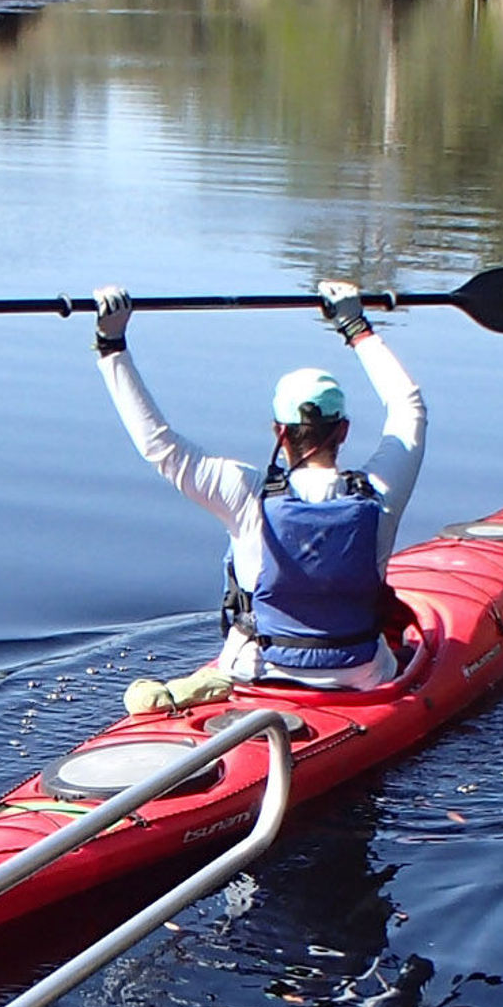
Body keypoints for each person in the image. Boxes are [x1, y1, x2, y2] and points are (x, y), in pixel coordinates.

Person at [92, 276, 424, 706]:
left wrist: (111, 345)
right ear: (343, 430)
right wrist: (355, 327)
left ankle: (198, 694)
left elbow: (159, 445)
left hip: (254, 671)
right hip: (360, 676)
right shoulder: (380, 492)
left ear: (278, 432)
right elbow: (408, 405)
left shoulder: (243, 491)